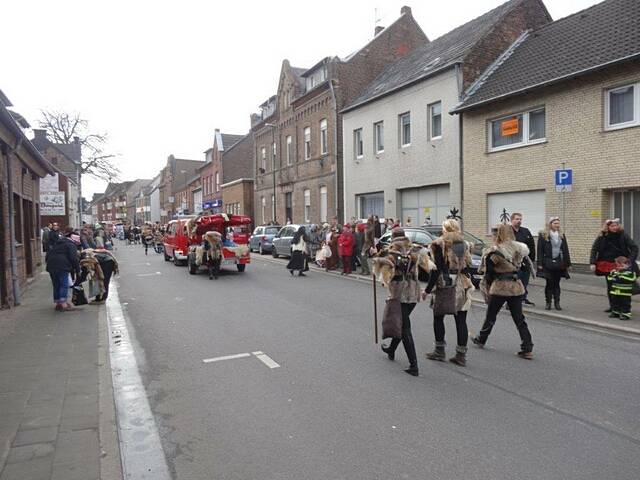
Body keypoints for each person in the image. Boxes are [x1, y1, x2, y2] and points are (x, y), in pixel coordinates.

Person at [373, 228, 433, 376]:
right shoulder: (416, 250)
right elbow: (430, 267)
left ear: (393, 237)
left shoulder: (392, 252)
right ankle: (391, 349)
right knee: (401, 321)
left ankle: (414, 365)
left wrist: (375, 260)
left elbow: (384, 275)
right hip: (413, 293)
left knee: (405, 327)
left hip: (399, 293)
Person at [472, 224, 534, 359]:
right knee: (519, 319)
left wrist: (487, 286)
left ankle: (481, 338)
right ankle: (527, 347)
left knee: (491, 316)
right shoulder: (520, 248)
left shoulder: (494, 252)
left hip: (500, 287)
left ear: (497, 235)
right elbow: (524, 268)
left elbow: (488, 273)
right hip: (516, 287)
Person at [424, 219, 474, 366]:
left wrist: (427, 290)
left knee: (438, 316)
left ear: (445, 229)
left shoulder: (439, 244)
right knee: (461, 320)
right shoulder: (463, 244)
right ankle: (461, 355)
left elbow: (436, 269)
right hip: (462, 283)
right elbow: (468, 266)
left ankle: (439, 351)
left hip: (445, 284)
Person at [590, 218, 639, 313]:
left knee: (621, 285)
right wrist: (592, 262)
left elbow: (634, 248)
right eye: (612, 226)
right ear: (607, 227)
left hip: (620, 264)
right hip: (606, 264)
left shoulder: (623, 235)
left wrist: (629, 261)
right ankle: (613, 306)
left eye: (616, 225)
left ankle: (623, 307)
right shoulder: (602, 236)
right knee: (610, 286)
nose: (615, 227)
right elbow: (594, 249)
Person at [537, 217, 571, 311]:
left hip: (558, 263)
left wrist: (568, 263)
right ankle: (548, 303)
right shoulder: (543, 235)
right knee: (549, 283)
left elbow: (565, 249)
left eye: (558, 223)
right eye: (555, 223)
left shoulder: (561, 235)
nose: (557, 225)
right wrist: (539, 263)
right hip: (547, 262)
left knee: (557, 283)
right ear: (550, 224)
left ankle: (557, 303)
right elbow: (539, 250)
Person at [46, 226, 80, 311]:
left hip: (51, 265)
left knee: (56, 284)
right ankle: (64, 304)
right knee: (64, 284)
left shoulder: (58, 243)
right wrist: (78, 269)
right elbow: (73, 258)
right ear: (75, 241)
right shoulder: (71, 245)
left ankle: (58, 303)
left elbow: (48, 254)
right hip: (62, 266)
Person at [511, 213, 536, 306]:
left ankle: (523, 298)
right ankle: (511, 301)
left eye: (520, 219)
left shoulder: (525, 231)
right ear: (512, 220)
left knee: (524, 281)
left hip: (525, 261)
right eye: (517, 219)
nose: (519, 221)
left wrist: (532, 259)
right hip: (513, 262)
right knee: (514, 282)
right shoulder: (508, 231)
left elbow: (531, 245)